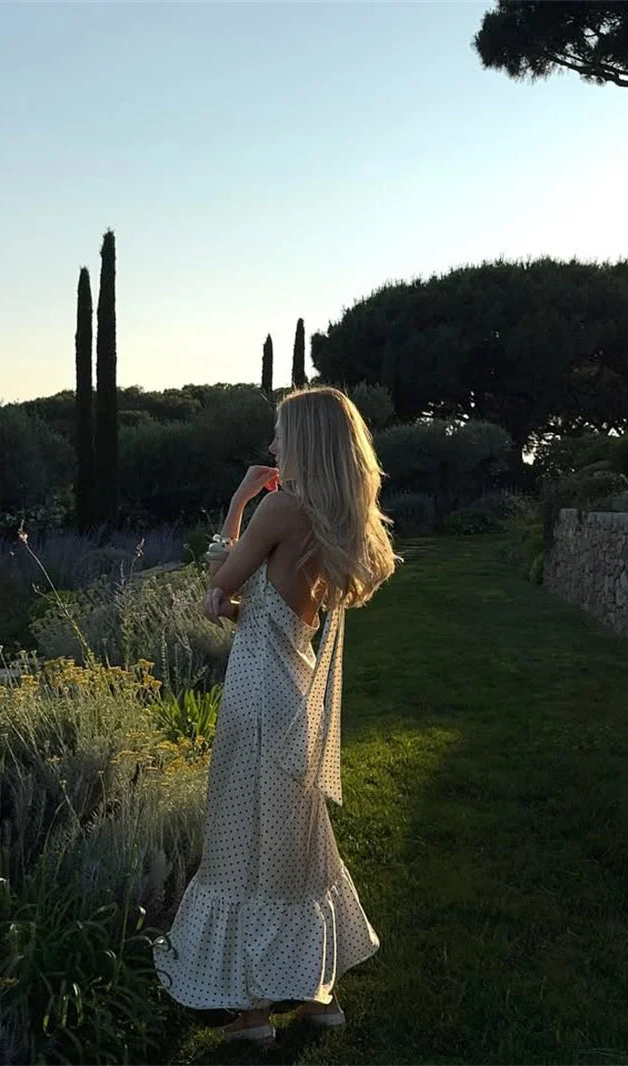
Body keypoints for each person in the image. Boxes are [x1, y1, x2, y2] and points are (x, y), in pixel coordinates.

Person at [152, 385, 402, 1044]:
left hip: (258, 695)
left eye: (281, 435)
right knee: (299, 845)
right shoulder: (332, 513)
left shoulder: (278, 507)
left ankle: (254, 1011)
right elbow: (272, 608)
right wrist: (234, 607)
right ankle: (319, 997)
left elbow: (221, 577)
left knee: (246, 846)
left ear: (306, 442)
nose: (271, 446)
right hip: (295, 686)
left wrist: (238, 502)